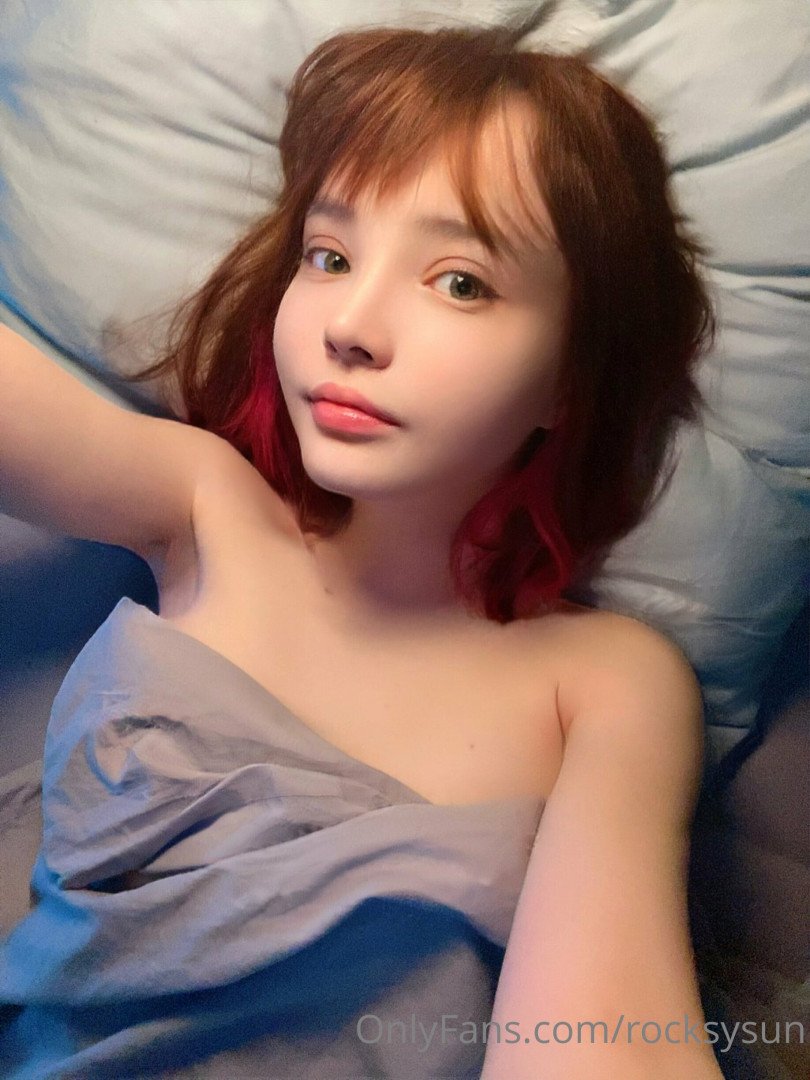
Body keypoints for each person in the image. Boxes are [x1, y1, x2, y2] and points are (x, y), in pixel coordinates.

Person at [0, 17, 725, 1080]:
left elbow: (601, 1042)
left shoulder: (608, 683)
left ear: (573, 379)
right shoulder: (208, 506)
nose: (351, 324)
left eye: (461, 281)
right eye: (329, 256)